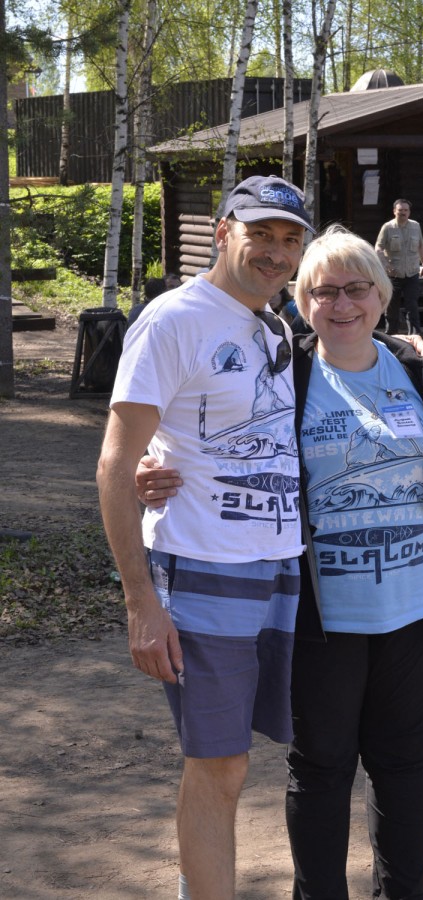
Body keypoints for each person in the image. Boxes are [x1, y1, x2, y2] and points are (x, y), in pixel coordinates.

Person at [137, 226, 423, 899]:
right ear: (301, 301)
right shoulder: (282, 374)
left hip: (413, 607)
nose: (341, 304)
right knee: (321, 768)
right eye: (323, 291)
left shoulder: (414, 370)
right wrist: (156, 467)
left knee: (404, 765)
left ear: (382, 296)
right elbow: (218, 439)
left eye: (356, 289)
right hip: (320, 612)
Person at [96, 174, 316, 900]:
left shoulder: (273, 325)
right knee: (218, 764)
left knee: (238, 761)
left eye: (290, 240)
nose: (276, 253)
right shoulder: (174, 320)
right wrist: (140, 602)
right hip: (202, 567)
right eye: (261, 235)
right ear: (223, 233)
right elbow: (116, 462)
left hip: (276, 568)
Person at [375, 198, 423, 335]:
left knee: (412, 305)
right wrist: (385, 264)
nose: (403, 213)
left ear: (409, 212)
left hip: (412, 272)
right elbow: (378, 248)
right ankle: (391, 335)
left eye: (405, 210)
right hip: (393, 274)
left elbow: (421, 246)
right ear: (394, 211)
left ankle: (415, 335)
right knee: (392, 307)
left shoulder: (416, 226)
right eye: (400, 210)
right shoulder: (387, 227)